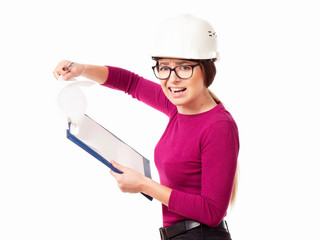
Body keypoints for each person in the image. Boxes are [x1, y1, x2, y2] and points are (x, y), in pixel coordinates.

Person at [53, 14, 239, 240]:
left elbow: (212, 211)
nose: (172, 79)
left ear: (207, 69)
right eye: (164, 67)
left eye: (184, 68)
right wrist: (81, 68)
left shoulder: (218, 127)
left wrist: (144, 184)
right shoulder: (176, 108)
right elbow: (131, 83)